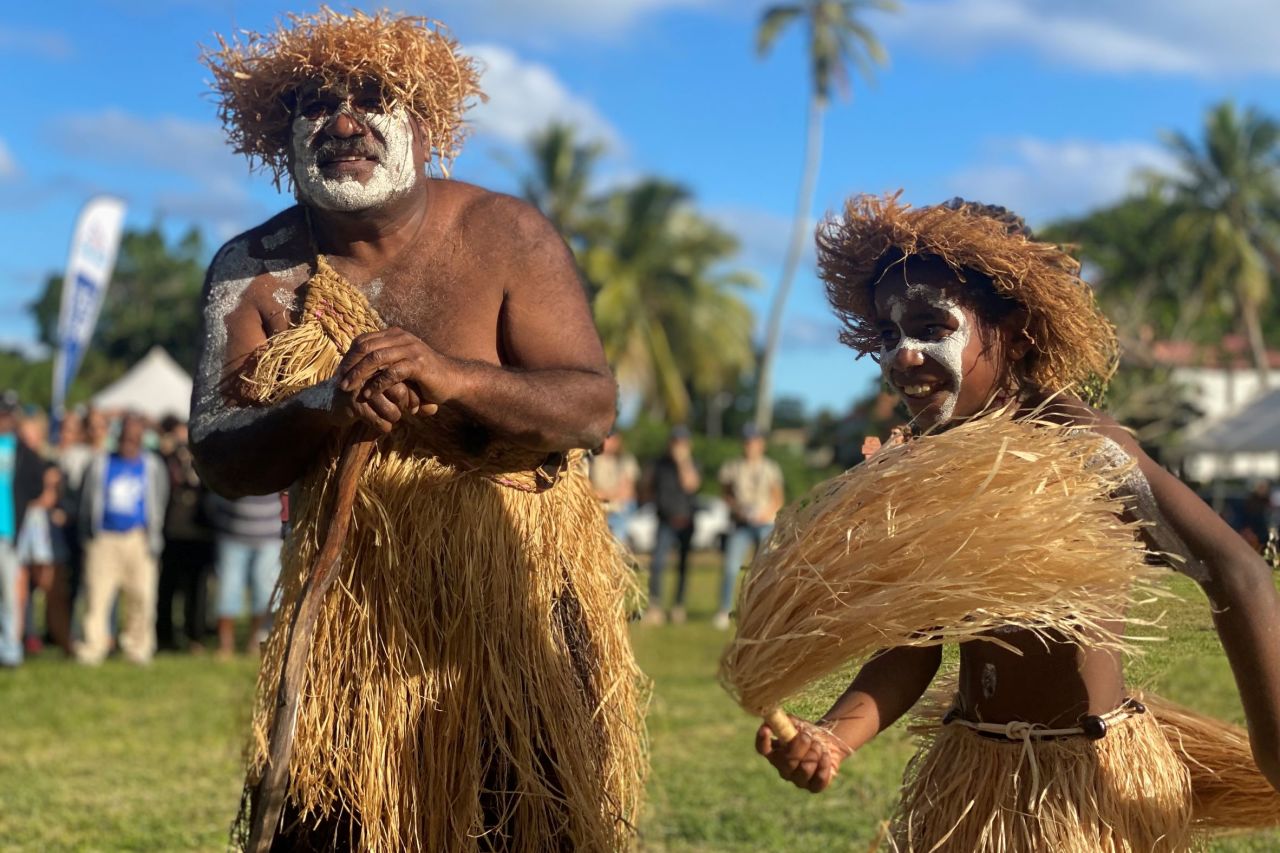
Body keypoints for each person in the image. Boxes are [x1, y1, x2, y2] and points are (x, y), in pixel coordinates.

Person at [194, 10, 645, 849]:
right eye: (315, 104)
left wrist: (454, 375)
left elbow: (591, 407)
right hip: (352, 611)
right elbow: (217, 452)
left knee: (521, 823)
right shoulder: (253, 272)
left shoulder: (504, 234)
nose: (343, 121)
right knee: (330, 829)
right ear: (282, 137)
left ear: (426, 127)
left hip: (510, 599)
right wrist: (322, 406)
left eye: (374, 97)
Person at [753, 195, 1280, 851]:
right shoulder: (936, 468)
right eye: (888, 336)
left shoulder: (1084, 450)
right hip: (974, 781)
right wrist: (834, 734)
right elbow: (917, 645)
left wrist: (1273, 747)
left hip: (1078, 790)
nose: (902, 355)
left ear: (1018, 329)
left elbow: (1236, 571)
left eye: (928, 325)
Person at [75, 413, 168, 665]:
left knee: (142, 597)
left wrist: (153, 535)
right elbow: (85, 501)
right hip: (104, 537)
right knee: (97, 596)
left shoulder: (152, 465)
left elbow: (160, 500)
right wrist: (89, 535)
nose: (130, 441)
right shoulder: (100, 463)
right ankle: (94, 647)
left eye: (135, 437)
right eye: (126, 436)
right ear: (118, 436)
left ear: (141, 438)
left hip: (139, 538)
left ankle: (138, 648)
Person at [713, 424, 784, 629]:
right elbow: (725, 494)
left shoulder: (771, 468)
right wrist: (738, 509)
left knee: (766, 568)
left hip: (764, 523)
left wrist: (766, 513)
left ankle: (764, 610)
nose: (750, 446)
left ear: (761, 444)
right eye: (747, 441)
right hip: (740, 523)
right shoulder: (732, 466)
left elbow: (778, 497)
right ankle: (723, 610)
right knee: (730, 566)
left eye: (754, 441)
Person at [156, 416, 215, 653]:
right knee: (166, 588)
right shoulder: (164, 461)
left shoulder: (206, 461)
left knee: (197, 590)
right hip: (170, 533)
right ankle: (165, 636)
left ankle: (195, 635)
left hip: (199, 533)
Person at [0, 392, 46, 667]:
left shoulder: (22, 450)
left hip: (7, 533)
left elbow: (36, 484)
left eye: (9, 414)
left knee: (8, 594)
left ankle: (9, 649)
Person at [209, 493, 282, 658]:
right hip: (232, 533)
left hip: (269, 535)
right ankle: (225, 646)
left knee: (265, 592)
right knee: (227, 590)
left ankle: (255, 642)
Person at [644, 426, 701, 625]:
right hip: (665, 521)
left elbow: (691, 485)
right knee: (658, 563)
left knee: (683, 566)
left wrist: (683, 462)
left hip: (686, 521)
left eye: (682, 443)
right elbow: (647, 487)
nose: (678, 447)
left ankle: (678, 606)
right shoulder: (659, 464)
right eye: (675, 442)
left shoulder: (693, 464)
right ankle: (655, 606)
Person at [588, 432, 640, 543]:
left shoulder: (626, 460)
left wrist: (604, 495)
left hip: (619, 509)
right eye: (607, 438)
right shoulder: (591, 460)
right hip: (598, 507)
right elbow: (587, 488)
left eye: (612, 438)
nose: (609, 442)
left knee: (616, 538)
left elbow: (627, 492)